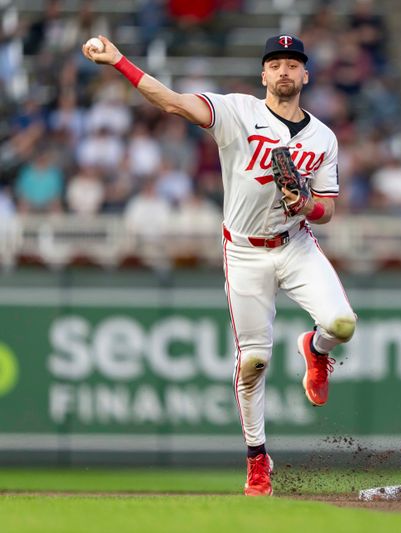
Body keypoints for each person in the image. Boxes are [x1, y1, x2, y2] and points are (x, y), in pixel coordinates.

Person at [82, 33, 357, 497]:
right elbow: (169, 102)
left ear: (306, 75)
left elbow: (327, 208)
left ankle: (316, 348)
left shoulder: (323, 137)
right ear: (263, 74)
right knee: (253, 361)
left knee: (342, 324)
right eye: (275, 63)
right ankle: (257, 460)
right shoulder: (236, 111)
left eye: (293, 63)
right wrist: (120, 62)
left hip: (294, 244)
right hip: (245, 252)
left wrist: (306, 204)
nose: (284, 70)